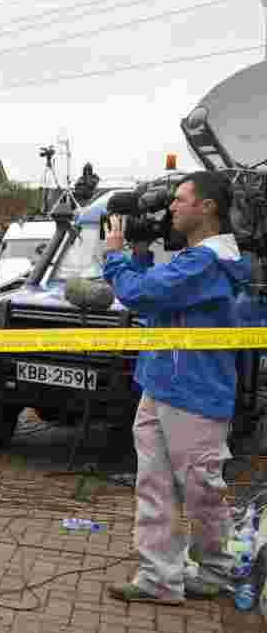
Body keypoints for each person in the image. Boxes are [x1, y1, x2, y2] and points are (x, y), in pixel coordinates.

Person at [104, 171, 248, 604]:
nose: (172, 207)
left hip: (195, 392)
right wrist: (139, 252)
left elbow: (141, 293)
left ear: (208, 208)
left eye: (181, 199)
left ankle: (216, 571)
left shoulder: (207, 262)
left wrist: (115, 257)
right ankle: (158, 578)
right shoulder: (193, 259)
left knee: (202, 488)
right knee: (153, 486)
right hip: (161, 382)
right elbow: (160, 297)